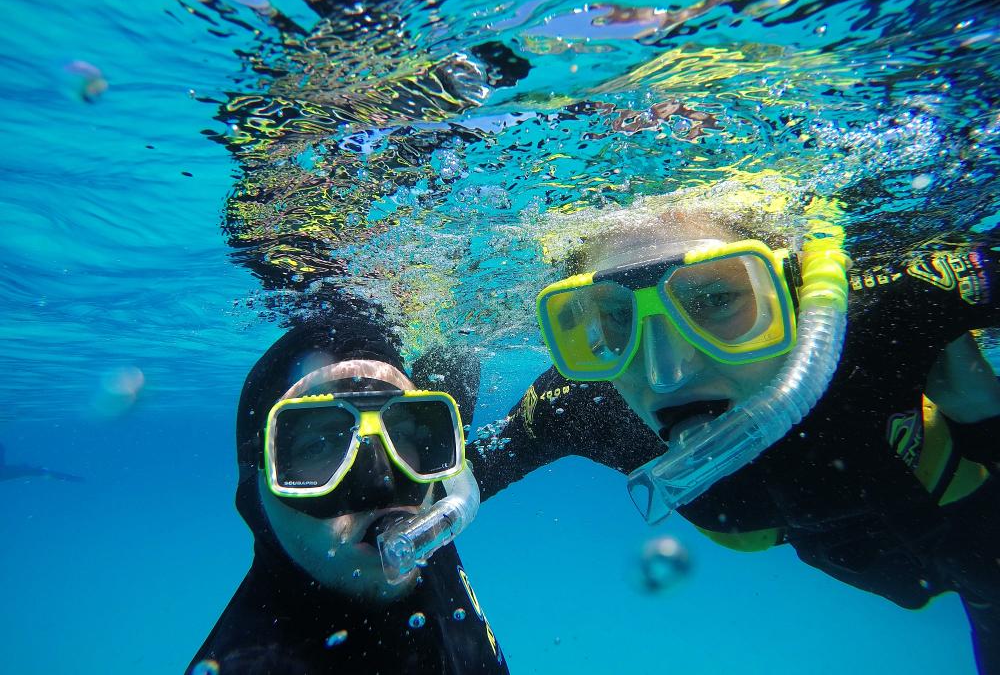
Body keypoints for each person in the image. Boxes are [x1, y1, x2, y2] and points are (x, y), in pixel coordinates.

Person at [468, 184, 1000, 673]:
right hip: (843, 555)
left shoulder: (885, 316)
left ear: (791, 296)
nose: (665, 372)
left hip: (969, 519)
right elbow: (446, 482)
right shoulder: (590, 398)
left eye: (715, 300)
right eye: (615, 318)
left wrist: (985, 418)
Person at [187, 313, 507, 675]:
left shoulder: (426, 495)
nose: (383, 484)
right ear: (256, 487)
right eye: (320, 445)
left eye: (400, 431)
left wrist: (544, 424)